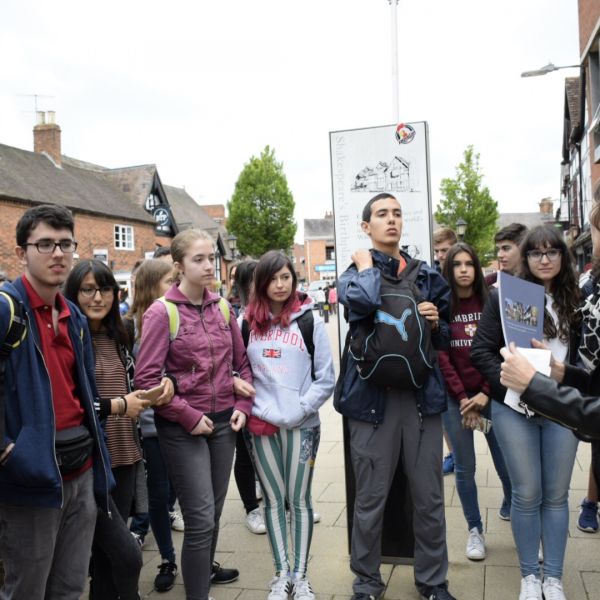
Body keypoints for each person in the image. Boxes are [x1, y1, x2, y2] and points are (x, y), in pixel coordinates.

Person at [336, 193, 457, 600]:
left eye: (397, 213)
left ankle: (433, 582)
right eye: (382, 214)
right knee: (370, 499)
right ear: (366, 226)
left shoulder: (426, 276)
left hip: (422, 402)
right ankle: (367, 582)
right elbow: (362, 303)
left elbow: (445, 337)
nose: (392, 220)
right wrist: (367, 267)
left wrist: (436, 324)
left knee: (429, 498)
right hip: (372, 403)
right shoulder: (354, 273)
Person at [0, 204, 113, 599]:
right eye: (45, 244)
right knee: (26, 590)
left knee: (69, 587)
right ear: (21, 252)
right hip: (30, 478)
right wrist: (6, 448)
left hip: (80, 469)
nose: (58, 254)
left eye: (66, 244)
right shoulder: (6, 310)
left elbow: (85, 393)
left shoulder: (74, 317)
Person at [135, 228, 254, 600]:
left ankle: (201, 582)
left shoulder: (223, 308)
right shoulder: (162, 312)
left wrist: (243, 407)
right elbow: (146, 380)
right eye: (197, 259)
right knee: (200, 519)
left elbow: (242, 365)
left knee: (211, 517)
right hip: (182, 428)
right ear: (179, 265)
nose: (207, 266)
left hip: (224, 425)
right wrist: (186, 415)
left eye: (210, 259)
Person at [472, 225, 581, 600]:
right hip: (514, 408)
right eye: (536, 252)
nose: (545, 259)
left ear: (563, 256)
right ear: (526, 256)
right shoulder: (505, 297)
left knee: (556, 495)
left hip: (562, 409)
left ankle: (553, 579)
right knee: (526, 493)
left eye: (553, 252)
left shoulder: (577, 300)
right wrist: (510, 383)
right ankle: (530, 577)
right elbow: (481, 352)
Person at [64, 259, 162, 600]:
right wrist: (119, 405)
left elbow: (130, 386)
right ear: (73, 294)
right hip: (91, 463)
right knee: (128, 555)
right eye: (87, 289)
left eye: (105, 289)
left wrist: (159, 390)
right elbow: (73, 406)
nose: (97, 297)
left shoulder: (120, 335)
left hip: (125, 456)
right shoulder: (70, 341)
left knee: (105, 562)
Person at [243, 250, 335, 600]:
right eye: (273, 279)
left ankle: (301, 576)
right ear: (261, 283)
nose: (280, 285)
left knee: (299, 500)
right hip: (261, 425)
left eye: (286, 277)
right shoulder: (246, 322)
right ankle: (281, 575)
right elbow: (240, 370)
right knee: (272, 500)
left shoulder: (311, 321)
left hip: (302, 425)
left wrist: (301, 409)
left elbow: (326, 378)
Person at [438, 243, 512, 561]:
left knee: (506, 461)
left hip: (490, 394)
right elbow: (441, 357)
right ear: (449, 269)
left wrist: (484, 392)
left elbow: (499, 351)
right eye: (457, 264)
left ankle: (516, 510)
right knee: (465, 467)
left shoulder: (490, 300)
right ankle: (475, 530)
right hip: (456, 400)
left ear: (477, 267)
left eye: (469, 263)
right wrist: (463, 398)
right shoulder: (442, 305)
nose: (464, 269)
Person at [125, 258, 183, 592]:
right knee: (159, 497)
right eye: (169, 281)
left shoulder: (178, 316)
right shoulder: (130, 328)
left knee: (187, 494)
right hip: (151, 428)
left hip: (183, 420)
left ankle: (201, 560)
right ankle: (167, 559)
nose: (176, 286)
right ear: (150, 287)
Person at [231, 259, 266, 535]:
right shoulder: (239, 320)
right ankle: (251, 509)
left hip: (270, 398)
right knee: (244, 453)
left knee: (273, 454)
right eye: (256, 279)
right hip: (244, 399)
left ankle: (287, 503)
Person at [433, 228, 459, 475]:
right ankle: (453, 452)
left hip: (465, 349)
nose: (441, 255)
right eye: (438, 251)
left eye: (445, 250)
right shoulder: (432, 277)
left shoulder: (464, 271)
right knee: (444, 408)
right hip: (442, 350)